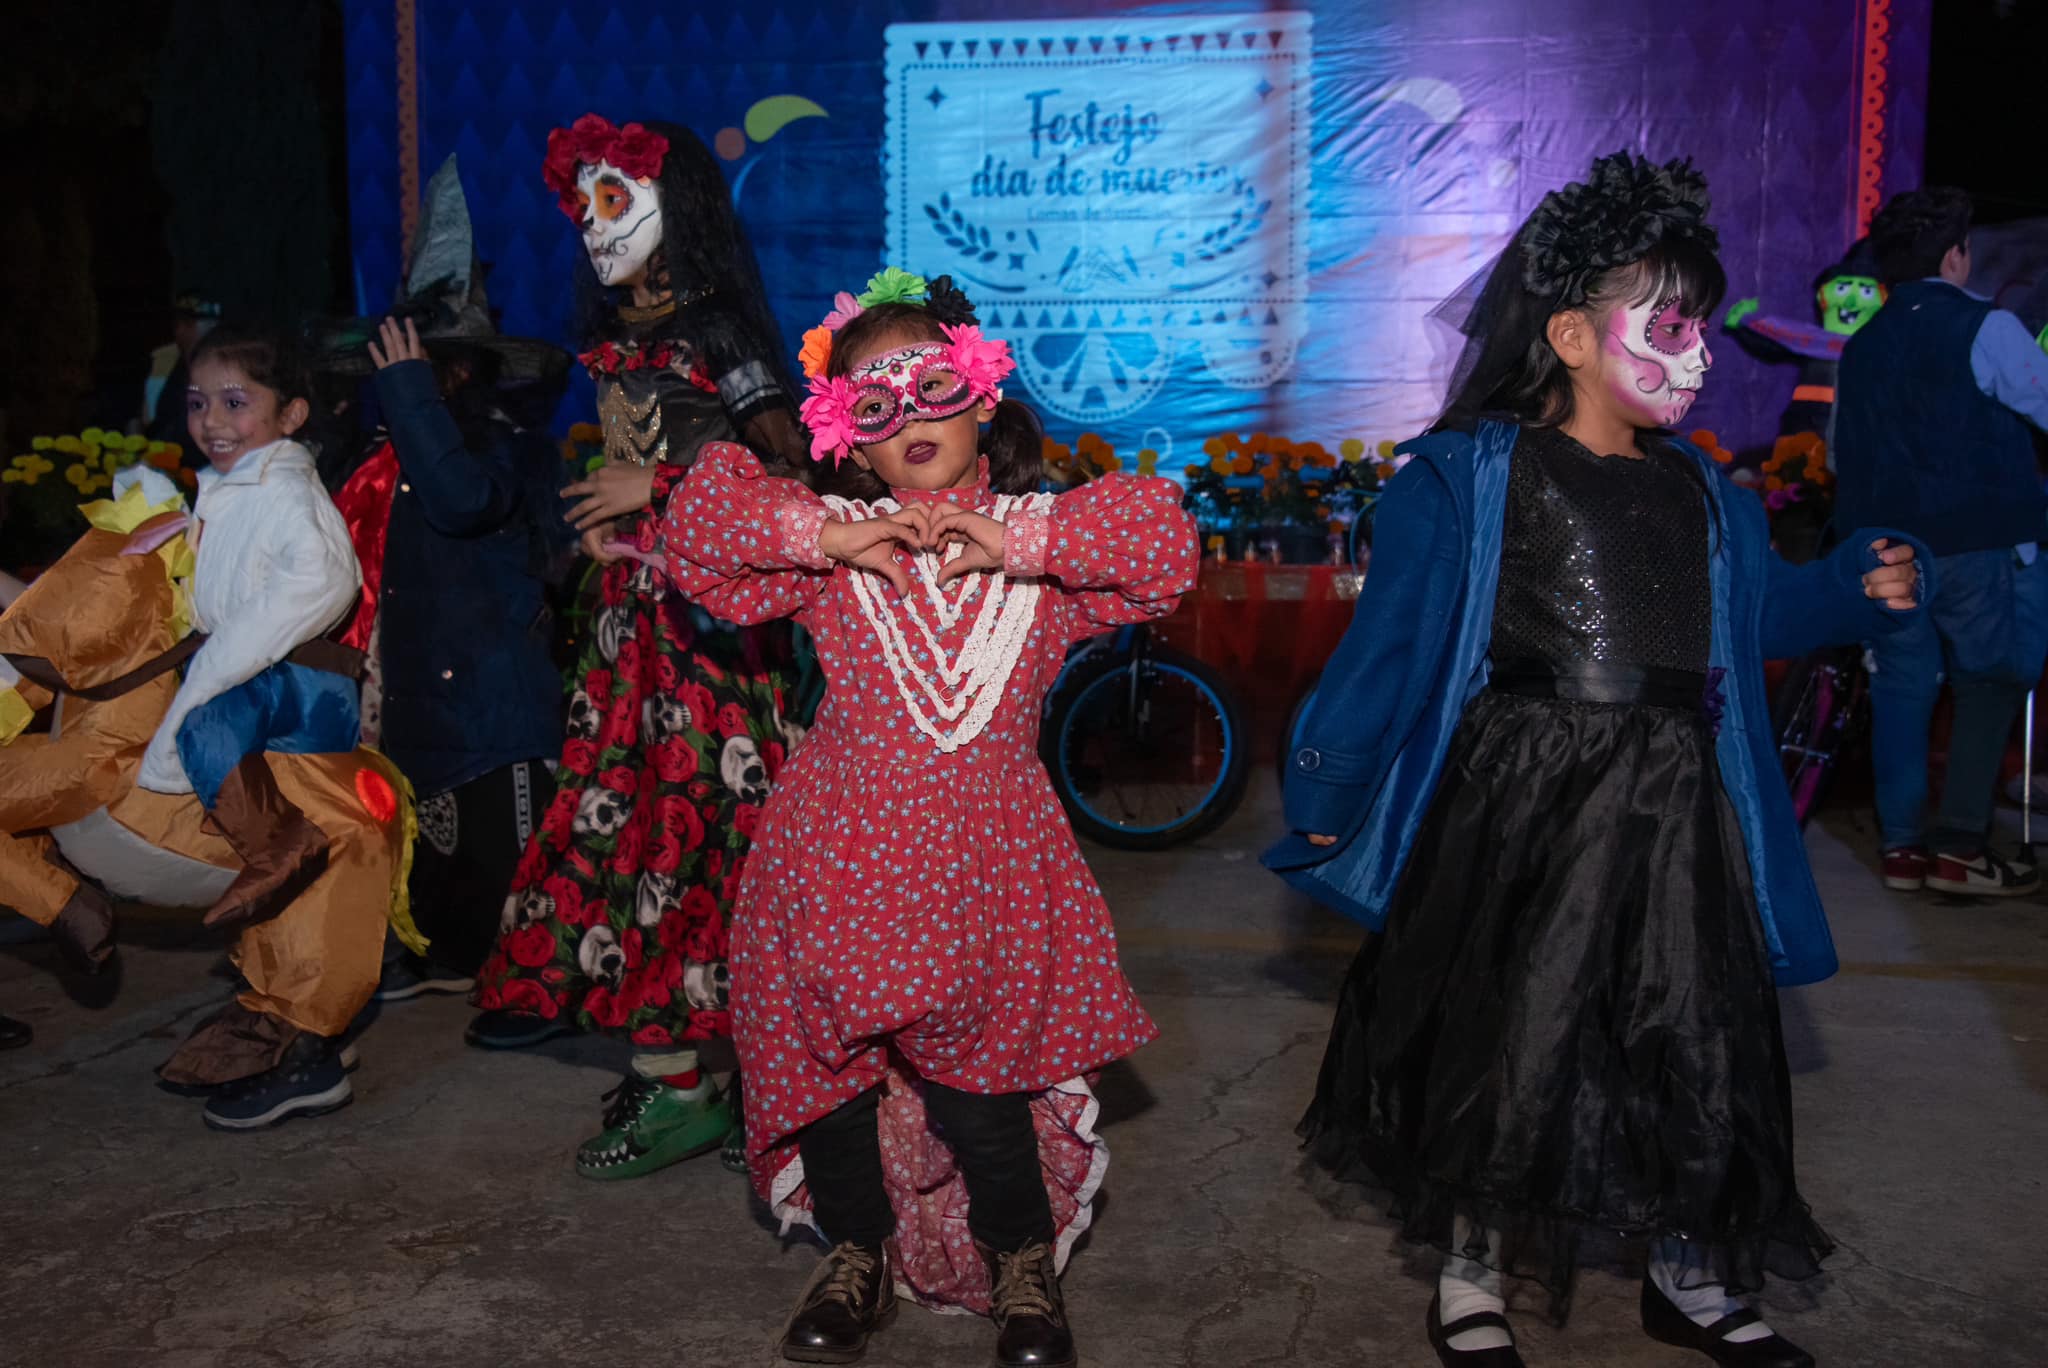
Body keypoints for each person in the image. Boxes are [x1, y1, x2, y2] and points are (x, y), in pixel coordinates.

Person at [1266, 152, 1926, 1368]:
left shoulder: (1705, 490)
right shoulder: (1468, 479)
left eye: (1700, 326)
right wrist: (1327, 787)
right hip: (1524, 792)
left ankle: (1688, 1270)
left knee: (1691, 1030)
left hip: (1680, 797)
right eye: (1664, 323)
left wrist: (1850, 586)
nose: (1695, 349)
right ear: (1570, 334)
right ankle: (1471, 1265)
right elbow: (1388, 649)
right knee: (1510, 1029)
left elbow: (1759, 621)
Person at [662, 268, 1196, 1368]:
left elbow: (1160, 546)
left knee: (981, 1082)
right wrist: (821, 538)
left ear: (983, 404)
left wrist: (1025, 546)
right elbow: (699, 526)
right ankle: (853, 1252)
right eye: (873, 402)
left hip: (987, 871)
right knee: (830, 1074)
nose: (907, 414)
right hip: (834, 863)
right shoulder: (829, 538)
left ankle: (1020, 1264)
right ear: (846, 442)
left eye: (931, 386)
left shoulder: (1041, 542)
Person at [467, 114, 808, 1181]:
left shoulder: (721, 335)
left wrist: (652, 488)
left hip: (712, 647)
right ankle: (674, 1086)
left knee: (718, 844)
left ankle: (775, 1078)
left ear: (680, 206)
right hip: (629, 640)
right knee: (626, 854)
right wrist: (610, 527)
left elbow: (794, 476)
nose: (592, 225)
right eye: (583, 205)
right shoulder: (622, 335)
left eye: (615, 200)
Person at [315, 154, 576, 997]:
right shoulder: (388, 456)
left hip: (495, 718)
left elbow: (463, 502)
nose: (412, 383)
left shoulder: (503, 447)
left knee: (506, 902)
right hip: (419, 713)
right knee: (437, 883)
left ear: (460, 372)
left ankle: (511, 981)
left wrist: (409, 393)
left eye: (430, 368)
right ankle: (434, 953)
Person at [1834, 186, 2048, 896]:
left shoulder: (1861, 345)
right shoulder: (1986, 326)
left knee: (1902, 689)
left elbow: (1845, 455)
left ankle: (1903, 849)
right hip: (1977, 541)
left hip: (1887, 548)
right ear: (1956, 256)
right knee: (1989, 681)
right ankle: (1959, 848)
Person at [139, 324, 364, 934]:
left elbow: (323, 577)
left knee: (204, 720)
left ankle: (278, 843)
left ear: (290, 415)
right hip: (250, 675)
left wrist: (213, 666)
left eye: (235, 403)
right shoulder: (224, 492)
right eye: (196, 402)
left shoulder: (286, 492)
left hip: (297, 683)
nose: (211, 420)